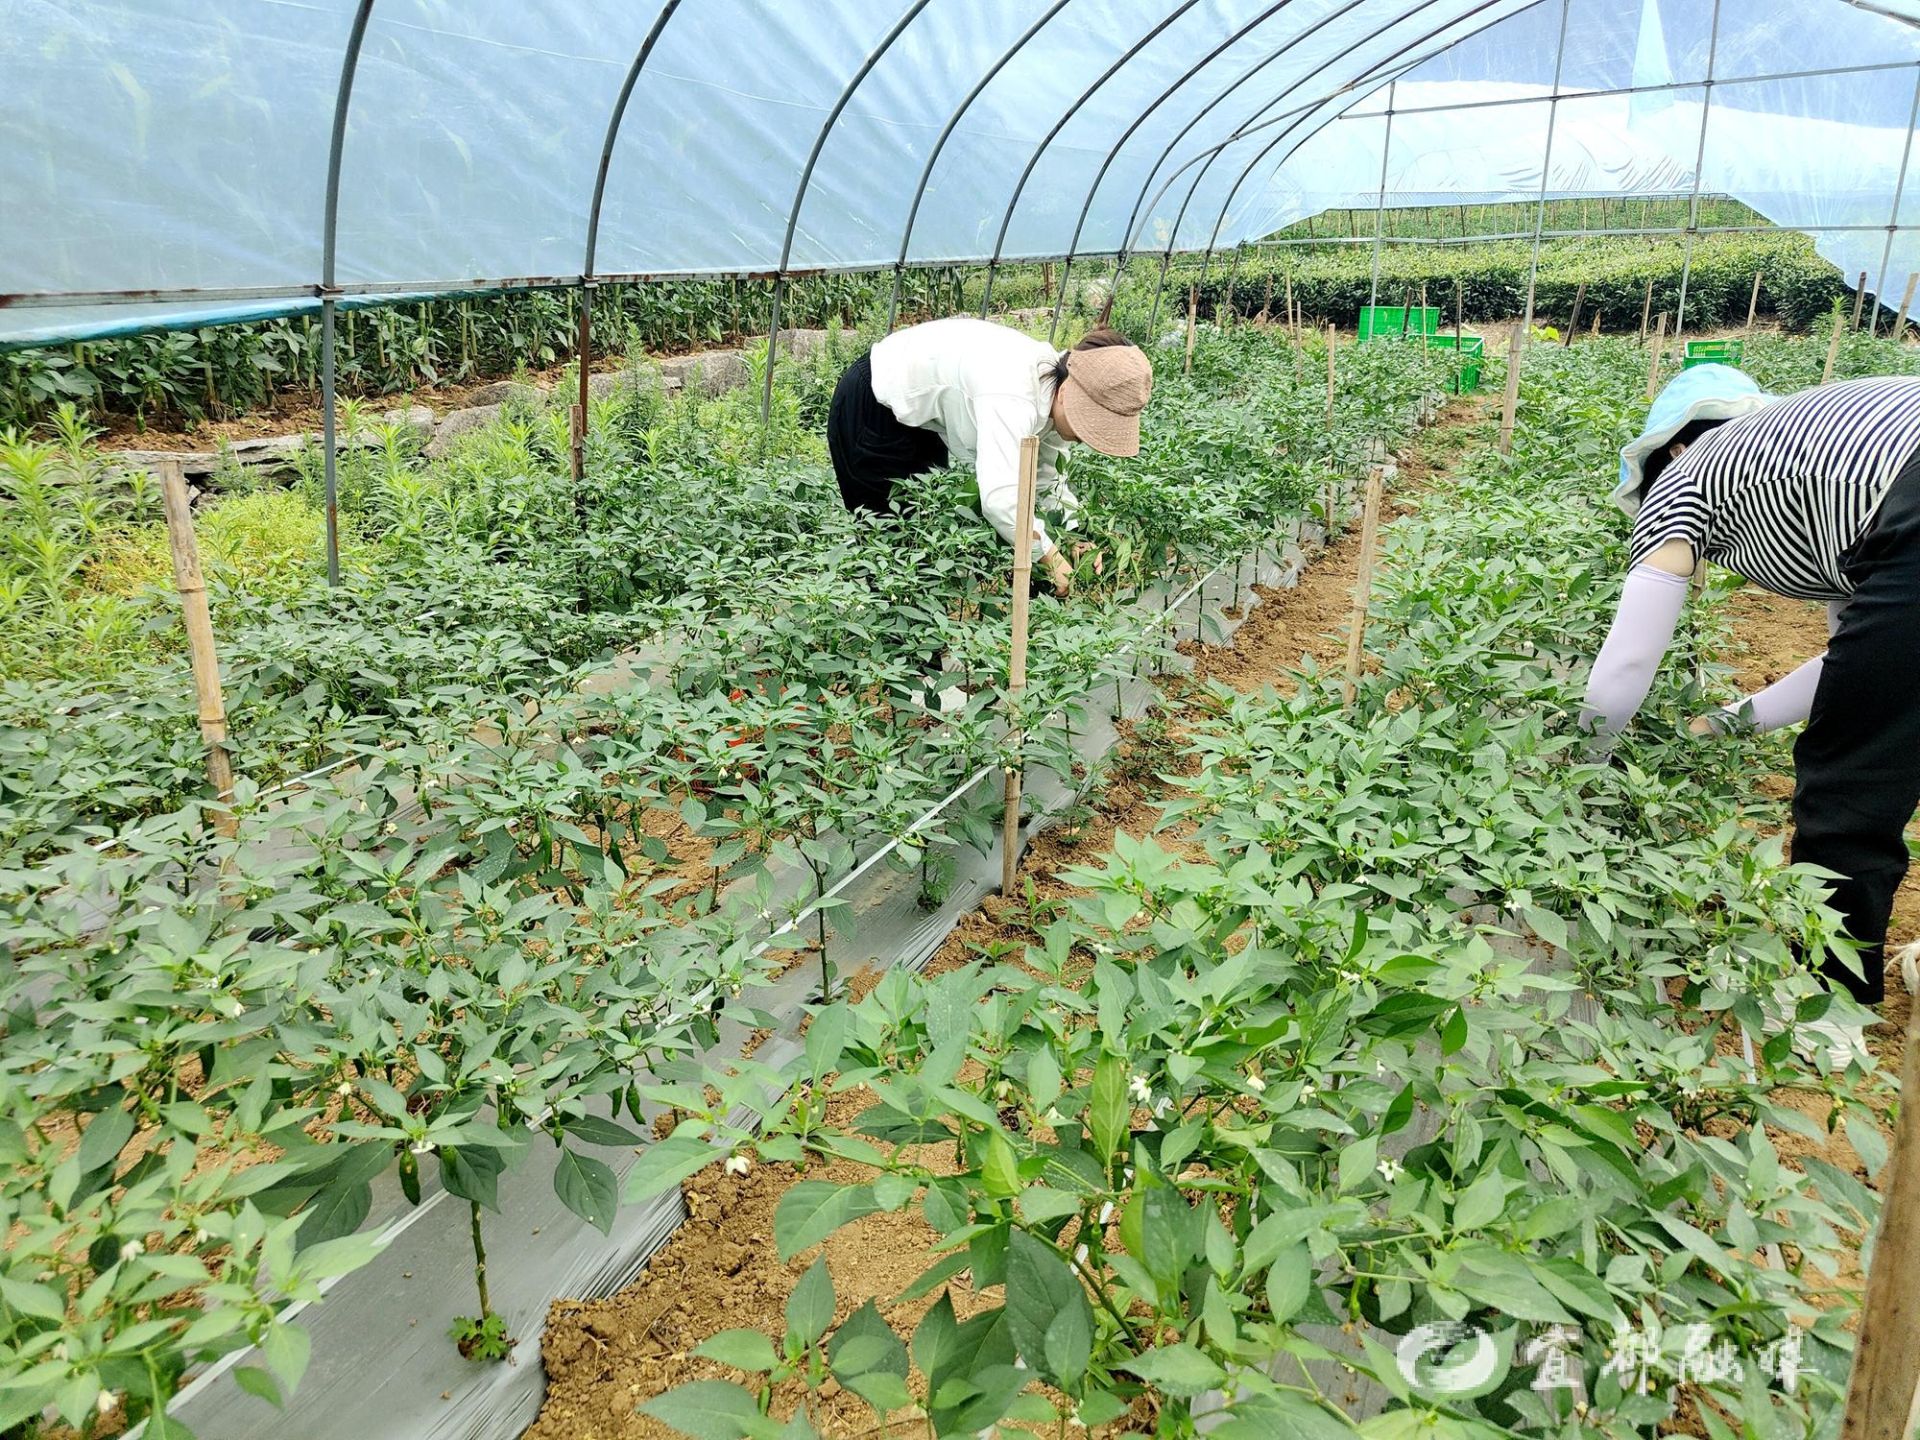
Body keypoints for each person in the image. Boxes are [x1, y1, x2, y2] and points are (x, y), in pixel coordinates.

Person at [1581, 362, 1920, 1065]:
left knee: (1850, 778)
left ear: (1670, 447)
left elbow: (1627, 663)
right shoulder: (1817, 457)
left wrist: (1581, 761)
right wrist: (1724, 722)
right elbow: (1855, 663)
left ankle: (1827, 1011)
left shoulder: (1686, 476)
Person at [826, 317, 1153, 595]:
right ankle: (905, 665)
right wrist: (1051, 558)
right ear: (1067, 394)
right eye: (1091, 424)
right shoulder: (1013, 394)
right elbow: (1001, 501)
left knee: (926, 534)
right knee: (900, 551)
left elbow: (1047, 478)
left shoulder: (1054, 389)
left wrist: (1075, 535)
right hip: (873, 405)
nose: (1087, 437)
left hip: (920, 424)